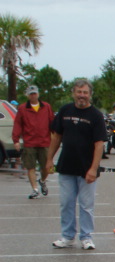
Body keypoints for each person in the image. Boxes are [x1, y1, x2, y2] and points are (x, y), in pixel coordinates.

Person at [45, 79, 107, 250]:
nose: (82, 96)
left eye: (85, 92)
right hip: (66, 166)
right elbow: (56, 137)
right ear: (73, 93)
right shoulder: (65, 111)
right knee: (66, 203)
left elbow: (99, 144)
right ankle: (67, 236)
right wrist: (50, 159)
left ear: (90, 95)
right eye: (79, 92)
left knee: (86, 205)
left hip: (87, 169)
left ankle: (86, 237)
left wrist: (93, 169)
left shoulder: (95, 115)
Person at [11, 85, 54, 199]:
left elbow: (52, 122)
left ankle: (42, 181)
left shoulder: (46, 107)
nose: (33, 95)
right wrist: (16, 140)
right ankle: (34, 189)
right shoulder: (22, 108)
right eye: (31, 94)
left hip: (44, 142)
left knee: (46, 167)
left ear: (38, 94)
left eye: (34, 93)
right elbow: (18, 124)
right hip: (29, 142)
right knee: (30, 167)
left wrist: (56, 136)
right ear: (27, 95)